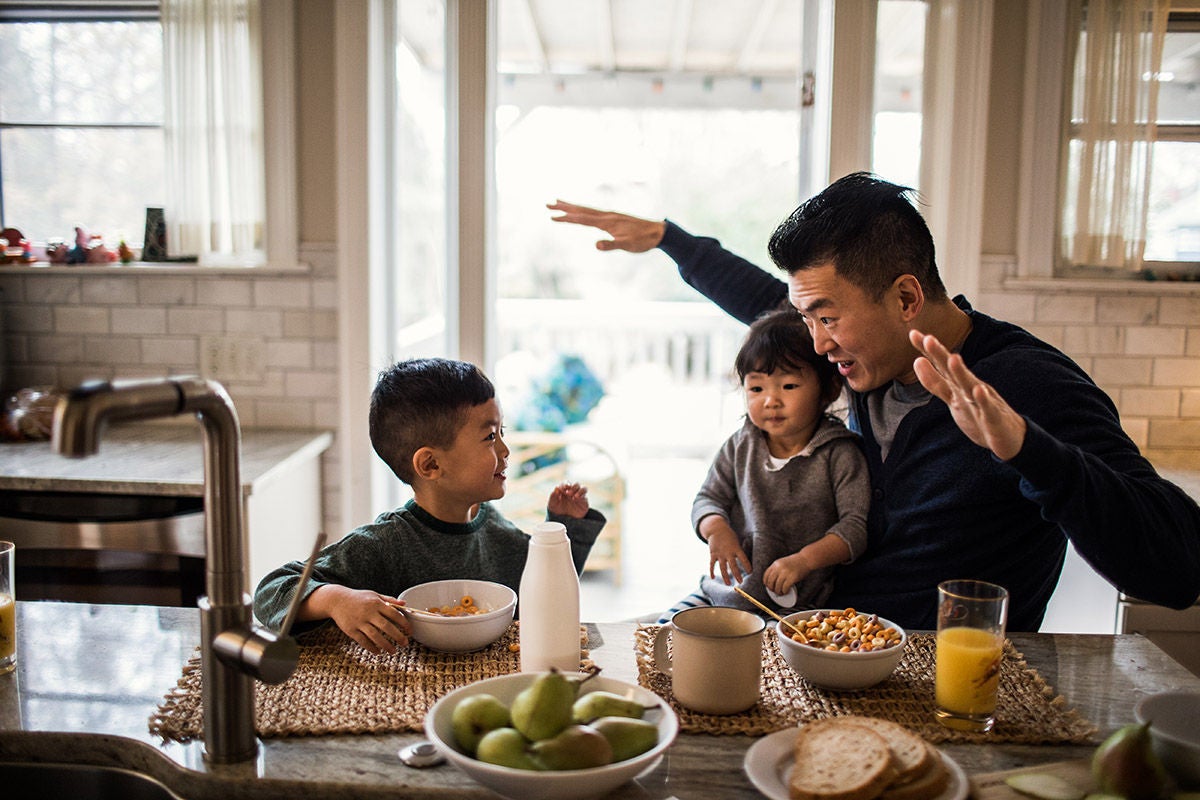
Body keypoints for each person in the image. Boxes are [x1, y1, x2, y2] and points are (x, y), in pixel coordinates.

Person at [548, 174, 1200, 631]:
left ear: (907, 298)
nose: (815, 342)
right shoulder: (869, 351)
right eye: (808, 318)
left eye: (826, 317)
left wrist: (1031, 451)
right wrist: (672, 239)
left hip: (932, 689)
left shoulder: (1028, 388)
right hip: (810, 642)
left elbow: (1176, 567)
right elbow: (769, 305)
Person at [254, 357, 606, 653]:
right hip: (402, 693)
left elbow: (547, 594)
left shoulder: (493, 526)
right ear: (431, 465)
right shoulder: (385, 544)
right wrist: (335, 599)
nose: (504, 450)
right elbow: (272, 591)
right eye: (489, 437)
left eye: (502, 433)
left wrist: (562, 527)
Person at [661, 308, 870, 623]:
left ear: (828, 390)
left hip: (796, 607)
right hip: (723, 593)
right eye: (756, 388)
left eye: (788, 386)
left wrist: (803, 561)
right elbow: (707, 499)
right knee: (665, 630)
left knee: (776, 660)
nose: (770, 400)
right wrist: (717, 531)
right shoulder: (740, 445)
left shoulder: (839, 453)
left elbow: (854, 528)